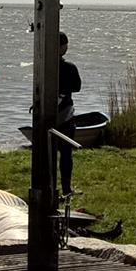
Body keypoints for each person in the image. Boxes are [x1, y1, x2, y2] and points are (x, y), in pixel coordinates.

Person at [55, 33, 82, 198]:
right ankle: (66, 189)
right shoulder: (70, 67)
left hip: (46, 114)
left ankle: (50, 186)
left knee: (48, 154)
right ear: (62, 47)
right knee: (66, 154)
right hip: (65, 114)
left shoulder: (44, 66)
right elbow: (77, 87)